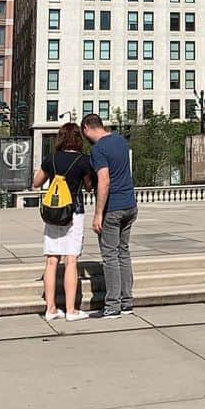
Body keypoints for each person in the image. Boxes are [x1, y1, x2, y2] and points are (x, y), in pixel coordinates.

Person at [33, 122, 93, 323]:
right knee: (71, 260)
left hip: (53, 213)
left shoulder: (51, 159)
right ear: (78, 139)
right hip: (73, 212)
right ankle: (71, 310)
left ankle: (50, 308)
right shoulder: (83, 160)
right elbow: (89, 186)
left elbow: (36, 182)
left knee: (51, 260)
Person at [83, 113, 137, 317]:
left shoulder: (98, 149)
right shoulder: (120, 140)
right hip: (130, 205)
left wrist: (98, 214)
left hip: (112, 208)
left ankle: (113, 305)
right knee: (123, 252)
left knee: (110, 256)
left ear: (87, 127)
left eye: (84, 132)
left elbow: (104, 180)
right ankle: (126, 302)